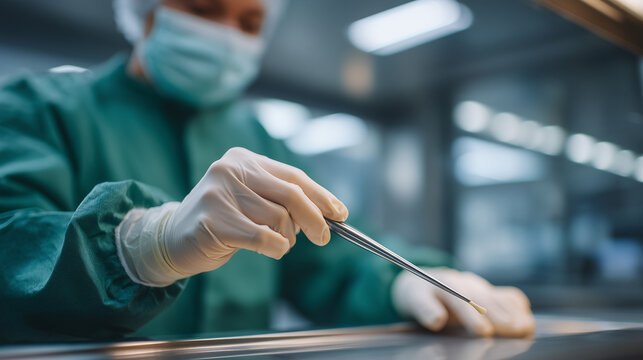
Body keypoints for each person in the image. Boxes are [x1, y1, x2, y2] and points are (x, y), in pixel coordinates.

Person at [0, 0, 535, 343]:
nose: (229, 34)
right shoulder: (38, 110)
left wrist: (405, 280)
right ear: (145, 12)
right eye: (205, 8)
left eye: (250, 21)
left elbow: (332, 258)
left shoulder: (260, 138)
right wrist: (142, 245)